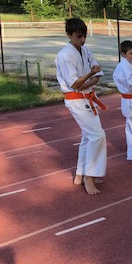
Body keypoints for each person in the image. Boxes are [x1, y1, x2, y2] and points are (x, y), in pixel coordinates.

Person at [55, 18, 107, 195]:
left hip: (88, 97)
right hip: (76, 100)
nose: (83, 40)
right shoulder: (64, 55)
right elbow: (75, 84)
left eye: (84, 36)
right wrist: (90, 75)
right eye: (79, 36)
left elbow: (98, 75)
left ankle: (80, 173)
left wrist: (88, 81)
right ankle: (89, 176)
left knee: (88, 137)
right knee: (97, 136)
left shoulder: (86, 50)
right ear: (69, 35)